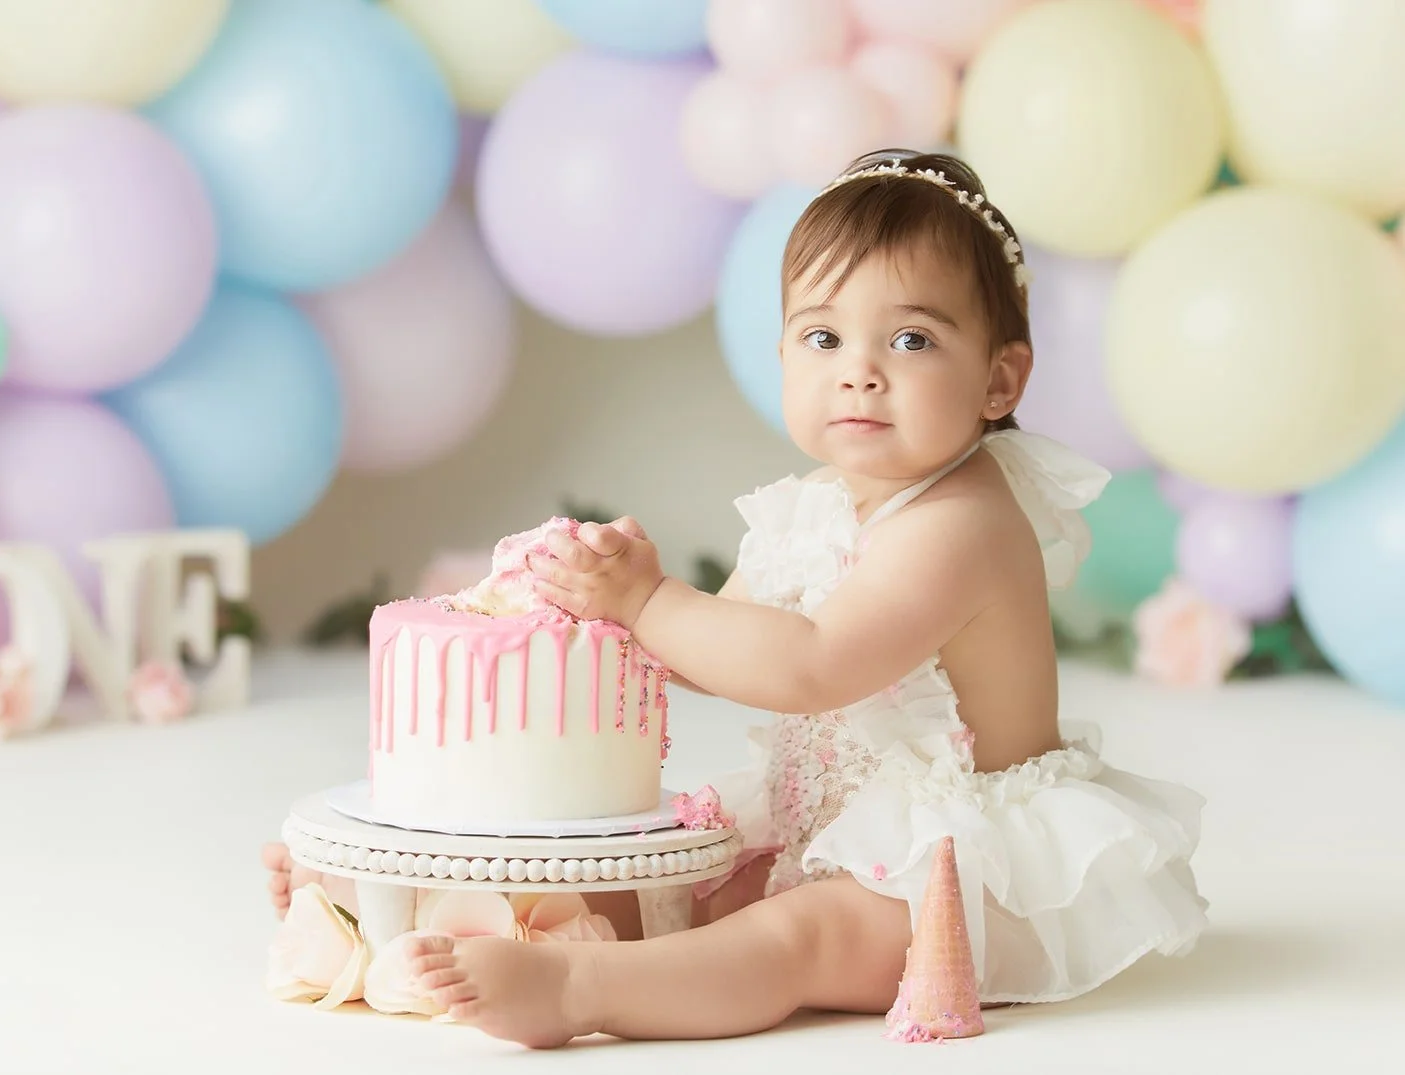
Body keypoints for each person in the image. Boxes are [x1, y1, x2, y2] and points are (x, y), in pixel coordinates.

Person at [264, 149, 1209, 1048]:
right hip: (833, 826)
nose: (859, 368)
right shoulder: (815, 505)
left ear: (998, 379)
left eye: (911, 338)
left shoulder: (959, 524)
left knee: (791, 940)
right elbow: (720, 649)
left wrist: (649, 600)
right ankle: (384, 911)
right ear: (785, 354)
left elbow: (808, 665)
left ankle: (573, 990)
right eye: (823, 335)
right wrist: (599, 603)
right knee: (672, 882)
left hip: (957, 864)